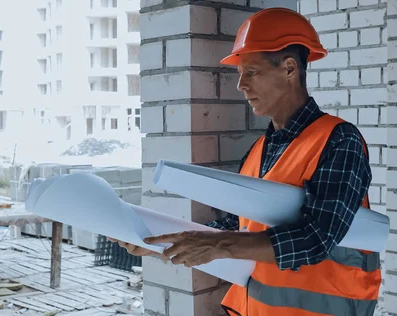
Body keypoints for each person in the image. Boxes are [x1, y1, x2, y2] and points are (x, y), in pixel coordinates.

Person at [110, 7, 382, 316]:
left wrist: (217, 246)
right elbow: (235, 225)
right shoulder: (258, 150)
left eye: (251, 72)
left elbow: (317, 237)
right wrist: (161, 242)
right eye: (240, 75)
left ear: (289, 69)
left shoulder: (339, 140)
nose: (241, 86)